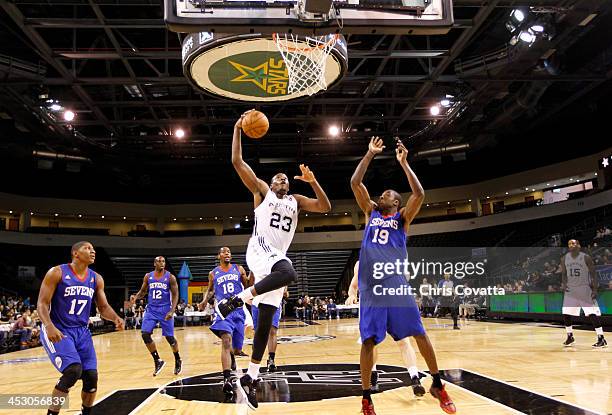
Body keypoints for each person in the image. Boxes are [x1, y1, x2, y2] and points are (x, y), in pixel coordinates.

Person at [216, 110, 331, 409]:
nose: (280, 179)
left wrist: (314, 180)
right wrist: (237, 128)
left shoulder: (297, 201)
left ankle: (251, 378)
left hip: (275, 259)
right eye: (276, 177)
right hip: (260, 250)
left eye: (284, 178)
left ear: (289, 185)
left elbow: (326, 206)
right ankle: (238, 299)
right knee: (289, 271)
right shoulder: (262, 192)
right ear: (270, 183)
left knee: (265, 323)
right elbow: (237, 162)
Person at [350, 137, 456, 415]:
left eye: (387, 194)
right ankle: (366, 398)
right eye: (382, 194)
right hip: (372, 287)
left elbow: (419, 194)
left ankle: (437, 383)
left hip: (395, 284)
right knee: (368, 341)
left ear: (396, 203)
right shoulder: (370, 212)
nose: (381, 195)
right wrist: (369, 154)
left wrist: (405, 163)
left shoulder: (402, 219)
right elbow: (355, 183)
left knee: (419, 333)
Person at [37, 241, 123, 415]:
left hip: (82, 332)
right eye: (87, 248)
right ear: (75, 253)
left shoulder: (96, 278)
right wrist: (49, 326)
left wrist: (115, 318)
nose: (93, 252)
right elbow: (42, 303)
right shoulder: (57, 272)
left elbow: (103, 307)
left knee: (91, 377)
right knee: (72, 371)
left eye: (93, 249)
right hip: (59, 329)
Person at [347, 261, 425, 397]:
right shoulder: (361, 264)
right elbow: (353, 286)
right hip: (371, 307)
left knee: (404, 341)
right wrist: (352, 295)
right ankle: (374, 376)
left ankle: (415, 378)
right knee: (372, 345)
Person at [200, 246, 248, 402]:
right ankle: (226, 379)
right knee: (226, 340)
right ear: (219, 255)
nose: (227, 254)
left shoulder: (239, 269)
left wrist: (252, 276)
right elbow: (210, 290)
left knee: (237, 348)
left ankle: (233, 355)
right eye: (224, 252)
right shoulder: (213, 273)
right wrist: (204, 300)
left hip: (238, 310)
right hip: (223, 310)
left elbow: (247, 286)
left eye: (229, 252)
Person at [130, 256, 182, 376]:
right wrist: (136, 296)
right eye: (159, 261)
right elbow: (143, 291)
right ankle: (157, 360)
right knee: (145, 334)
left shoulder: (170, 277)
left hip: (165, 309)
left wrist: (172, 310)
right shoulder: (148, 276)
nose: (162, 263)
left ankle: (177, 359)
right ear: (154, 263)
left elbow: (175, 294)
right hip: (151, 309)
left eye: (163, 261)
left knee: (170, 338)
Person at [560, 239, 607, 348]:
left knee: (591, 313)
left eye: (574, 243)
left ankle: (601, 338)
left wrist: (595, 290)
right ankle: (570, 336)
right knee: (566, 314)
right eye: (570, 244)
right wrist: (564, 284)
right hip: (571, 290)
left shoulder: (586, 257)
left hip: (584, 289)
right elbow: (564, 274)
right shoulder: (564, 259)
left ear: (579, 245)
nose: (572, 245)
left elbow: (594, 274)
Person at [251, 272, 288, 373]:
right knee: (258, 332)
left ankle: (271, 360)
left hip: (274, 302)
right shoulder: (256, 264)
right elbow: (250, 283)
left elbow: (285, 287)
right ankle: (254, 363)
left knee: (272, 331)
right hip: (257, 302)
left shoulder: (278, 264)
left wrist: (284, 290)